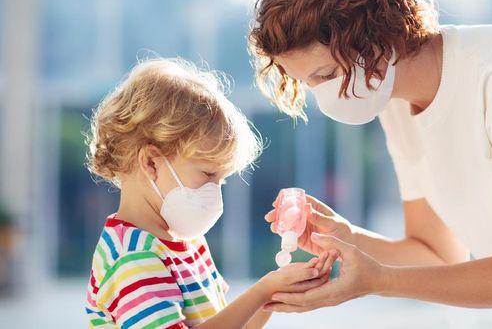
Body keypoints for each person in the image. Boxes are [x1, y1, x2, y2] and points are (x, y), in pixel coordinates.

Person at [248, 0, 492, 328]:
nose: (322, 97)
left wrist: (380, 281)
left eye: (326, 75)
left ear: (375, 33)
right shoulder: (395, 103)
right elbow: (437, 254)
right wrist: (349, 239)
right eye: (308, 84)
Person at [84, 58, 338, 328]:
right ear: (151, 163)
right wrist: (262, 290)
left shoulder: (188, 241)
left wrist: (275, 292)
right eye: (207, 174)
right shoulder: (132, 257)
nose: (214, 192)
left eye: (222, 180)